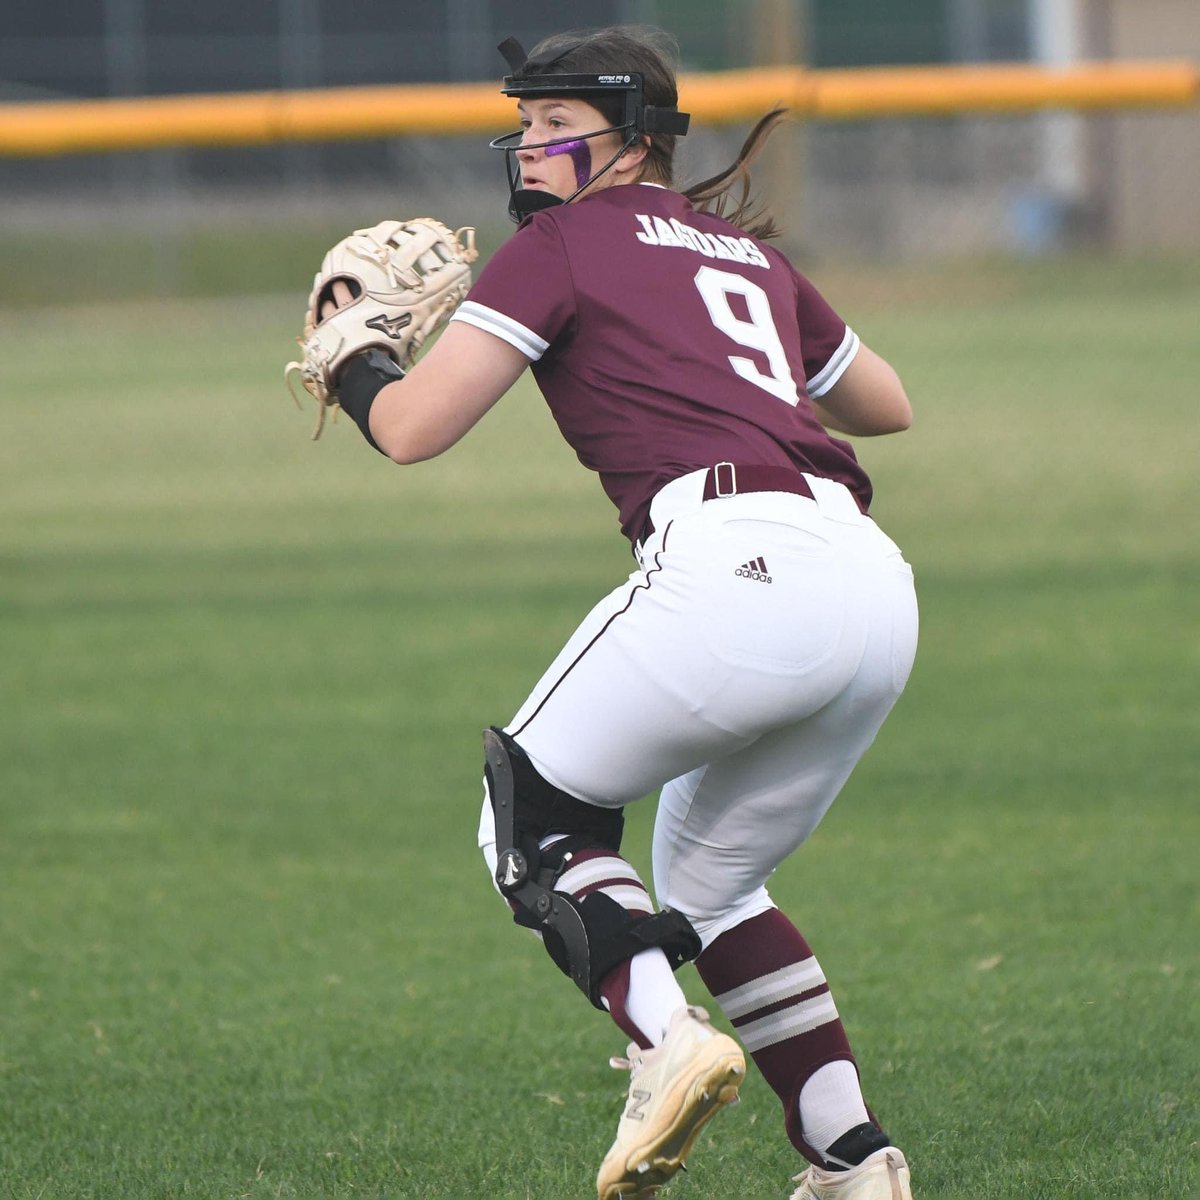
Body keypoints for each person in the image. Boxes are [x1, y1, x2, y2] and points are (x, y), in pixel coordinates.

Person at [315, 26, 919, 1200]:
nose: (531, 146)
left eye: (557, 124)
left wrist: (354, 356)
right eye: (525, 124)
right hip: (871, 580)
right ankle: (855, 1163)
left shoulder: (564, 246)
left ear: (634, 136)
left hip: (732, 562)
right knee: (713, 884)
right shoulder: (747, 254)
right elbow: (885, 405)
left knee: (530, 816)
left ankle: (665, 1042)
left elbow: (411, 430)